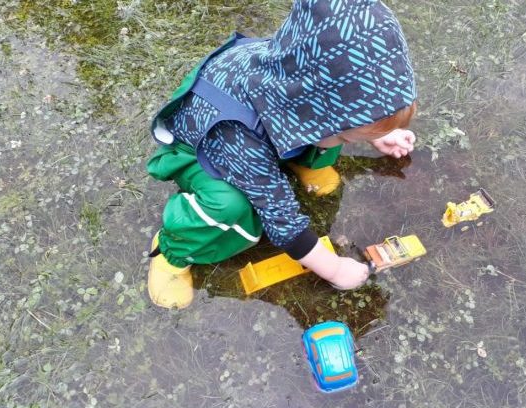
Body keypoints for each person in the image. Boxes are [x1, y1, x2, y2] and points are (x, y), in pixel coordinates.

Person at [146, 0, 418, 309]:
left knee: (326, 129)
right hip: (204, 148)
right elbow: (282, 222)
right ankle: (171, 254)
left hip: (267, 121)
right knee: (232, 208)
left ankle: (312, 157)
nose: (346, 140)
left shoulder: (298, 72)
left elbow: (348, 104)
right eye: (346, 136)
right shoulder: (240, 136)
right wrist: (335, 268)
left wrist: (379, 134)